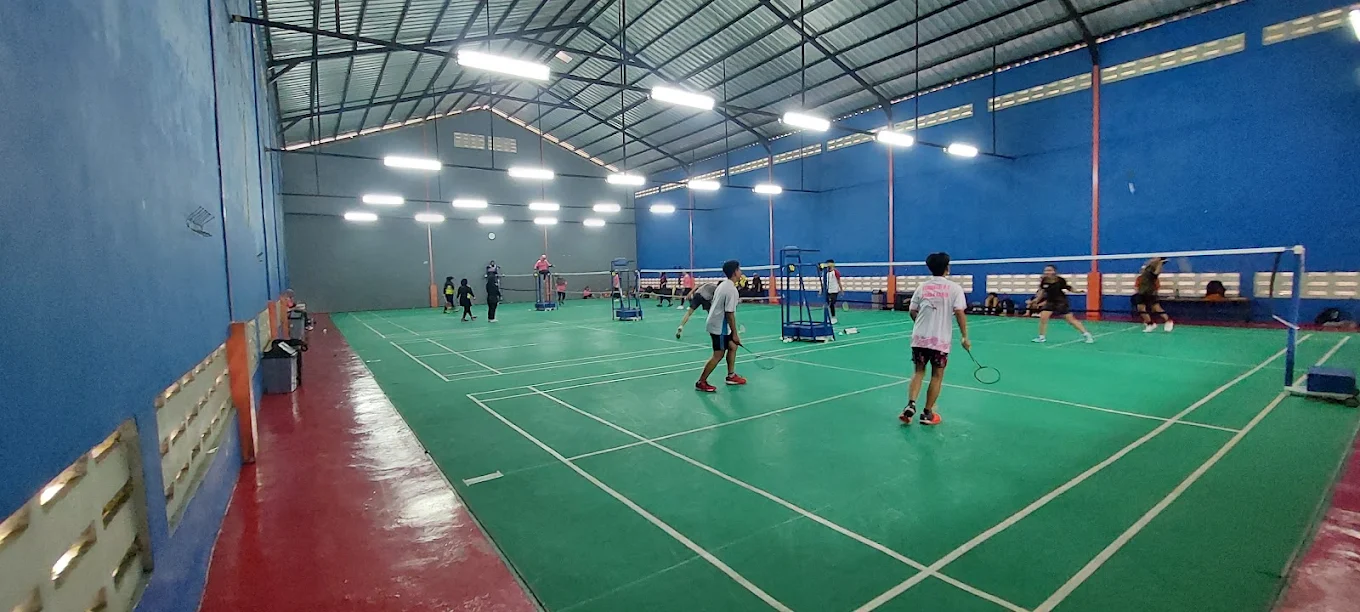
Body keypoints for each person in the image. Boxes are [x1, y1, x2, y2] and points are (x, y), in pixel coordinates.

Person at [900, 252, 970, 426]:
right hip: (940, 340)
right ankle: (927, 414)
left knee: (918, 371)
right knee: (937, 375)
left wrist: (922, 325)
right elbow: (959, 312)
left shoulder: (922, 287)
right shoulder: (955, 288)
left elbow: (912, 310)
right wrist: (964, 336)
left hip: (919, 338)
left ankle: (910, 405)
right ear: (947, 268)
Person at [696, 260, 746, 393]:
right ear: (735, 272)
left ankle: (731, 376)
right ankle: (701, 382)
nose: (741, 272)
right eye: (739, 269)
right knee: (718, 354)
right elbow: (730, 314)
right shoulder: (731, 290)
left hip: (717, 323)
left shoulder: (723, 284)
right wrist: (735, 333)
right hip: (719, 327)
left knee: (732, 346)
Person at [1031, 265, 1095, 343]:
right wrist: (1036, 300)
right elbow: (1042, 291)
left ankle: (1087, 335)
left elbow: (1068, 287)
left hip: (1061, 302)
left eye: (1049, 270)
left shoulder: (1060, 280)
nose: (1047, 272)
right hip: (1050, 302)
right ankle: (1041, 337)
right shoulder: (1044, 280)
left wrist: (1076, 291)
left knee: (1071, 320)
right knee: (1043, 318)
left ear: (1054, 271)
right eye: (1046, 270)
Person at [1135, 258, 1175, 332]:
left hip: (1150, 293)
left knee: (1157, 308)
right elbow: (1149, 262)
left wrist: (1160, 263)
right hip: (1141, 293)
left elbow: (1157, 272)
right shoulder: (1145, 271)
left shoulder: (1153, 273)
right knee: (1140, 309)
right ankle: (1150, 324)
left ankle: (1168, 321)